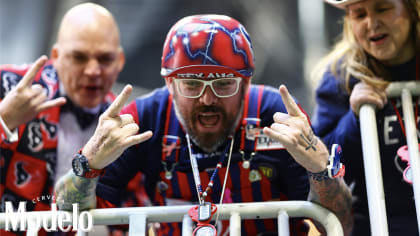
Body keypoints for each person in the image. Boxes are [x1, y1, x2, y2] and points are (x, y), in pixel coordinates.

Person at [55, 14, 353, 235]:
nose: (207, 99)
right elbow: (69, 224)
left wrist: (321, 173)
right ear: (169, 84)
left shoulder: (273, 114)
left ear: (246, 83)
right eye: (191, 84)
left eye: (224, 84)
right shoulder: (145, 118)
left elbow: (337, 225)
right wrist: (86, 165)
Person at [0, 2, 126, 235]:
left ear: (120, 61)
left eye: (105, 59)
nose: (93, 71)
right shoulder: (9, 86)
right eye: (79, 58)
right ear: (56, 56)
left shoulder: (124, 121)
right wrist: (4, 120)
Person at [312, 0, 419, 235]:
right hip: (377, 225)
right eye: (359, 14)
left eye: (383, 8)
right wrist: (355, 117)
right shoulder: (340, 77)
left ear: (412, 9)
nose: (372, 23)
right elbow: (327, 164)